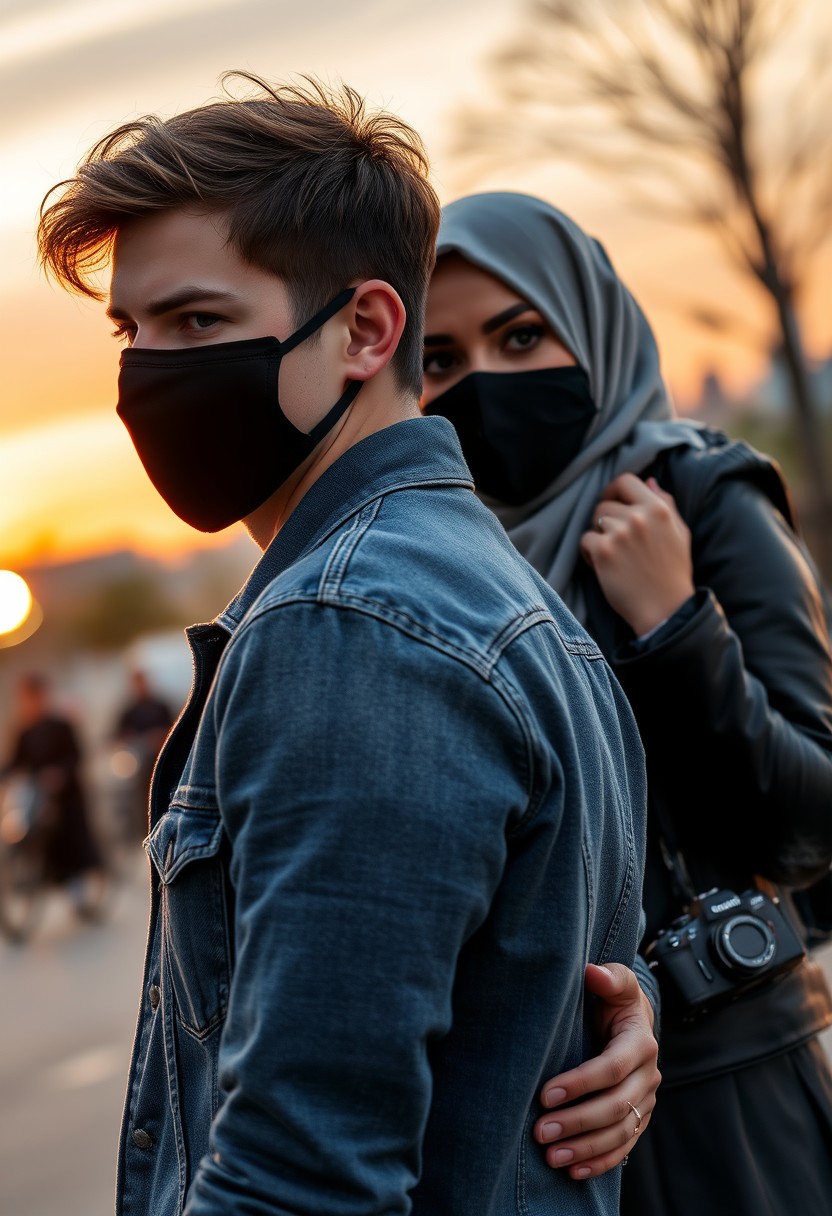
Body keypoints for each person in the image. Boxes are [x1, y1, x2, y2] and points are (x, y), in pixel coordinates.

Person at [38, 76, 654, 1214]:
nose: (145, 375)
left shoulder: (352, 627)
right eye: (132, 328)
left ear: (366, 329)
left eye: (198, 322)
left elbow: (300, 1178)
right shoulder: (497, 589)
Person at [422, 189, 832, 1215]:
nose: (484, 383)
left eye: (521, 335)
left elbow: (809, 825)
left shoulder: (696, 498)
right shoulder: (441, 567)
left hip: (720, 1099)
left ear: (591, 325)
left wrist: (674, 625)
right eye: (439, 361)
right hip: (526, 1126)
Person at [1, 671, 106, 914]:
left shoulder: (61, 724)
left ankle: (80, 892)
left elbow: (77, 755)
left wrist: (61, 773)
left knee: (70, 839)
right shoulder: (23, 731)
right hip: (38, 797)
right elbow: (15, 762)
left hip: (67, 796)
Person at [112, 667, 174, 840]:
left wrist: (160, 736)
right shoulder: (128, 711)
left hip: (161, 760)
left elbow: (174, 728)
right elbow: (118, 737)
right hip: (139, 766)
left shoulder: (161, 706)